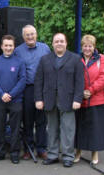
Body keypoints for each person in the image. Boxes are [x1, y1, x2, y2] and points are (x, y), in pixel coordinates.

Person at [34, 33, 84, 168]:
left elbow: (80, 82)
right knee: (51, 129)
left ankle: (68, 156)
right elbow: (38, 81)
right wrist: (38, 99)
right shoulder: (44, 59)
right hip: (49, 99)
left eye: (62, 41)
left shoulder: (75, 59)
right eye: (56, 41)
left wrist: (77, 99)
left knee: (68, 130)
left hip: (68, 100)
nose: (59, 43)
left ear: (66, 43)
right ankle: (52, 155)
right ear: (52, 44)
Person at [14, 25, 50, 160]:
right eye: (27, 35)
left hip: (42, 88)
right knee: (27, 120)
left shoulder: (45, 48)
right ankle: (28, 149)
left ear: (36, 34)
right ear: (23, 37)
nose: (30, 37)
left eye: (32, 34)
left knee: (41, 121)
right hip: (26, 89)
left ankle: (41, 149)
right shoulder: (17, 51)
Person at [0, 35, 26, 164]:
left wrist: (11, 94)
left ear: (13, 47)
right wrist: (1, 94)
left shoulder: (20, 62)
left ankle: (15, 153)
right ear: (1, 46)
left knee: (15, 128)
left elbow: (22, 80)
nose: (8, 48)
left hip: (15, 100)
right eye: (6, 45)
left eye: (10, 45)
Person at [74, 34, 104, 165]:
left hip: (97, 99)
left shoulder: (102, 59)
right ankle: (77, 152)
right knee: (79, 128)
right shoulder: (76, 59)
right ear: (82, 47)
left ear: (94, 47)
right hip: (81, 100)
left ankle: (94, 154)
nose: (87, 48)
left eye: (90, 46)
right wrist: (81, 92)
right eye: (85, 46)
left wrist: (90, 90)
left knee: (95, 129)